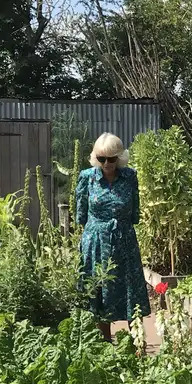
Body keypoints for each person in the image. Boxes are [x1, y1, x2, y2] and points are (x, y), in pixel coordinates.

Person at [76, 132, 150, 341]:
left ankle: (137, 344)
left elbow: (135, 211)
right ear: (95, 158)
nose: (107, 163)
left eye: (112, 158)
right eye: (102, 158)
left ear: (120, 157)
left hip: (124, 239)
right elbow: (80, 214)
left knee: (130, 290)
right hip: (96, 242)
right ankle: (104, 343)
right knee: (99, 288)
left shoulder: (130, 176)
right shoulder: (87, 178)